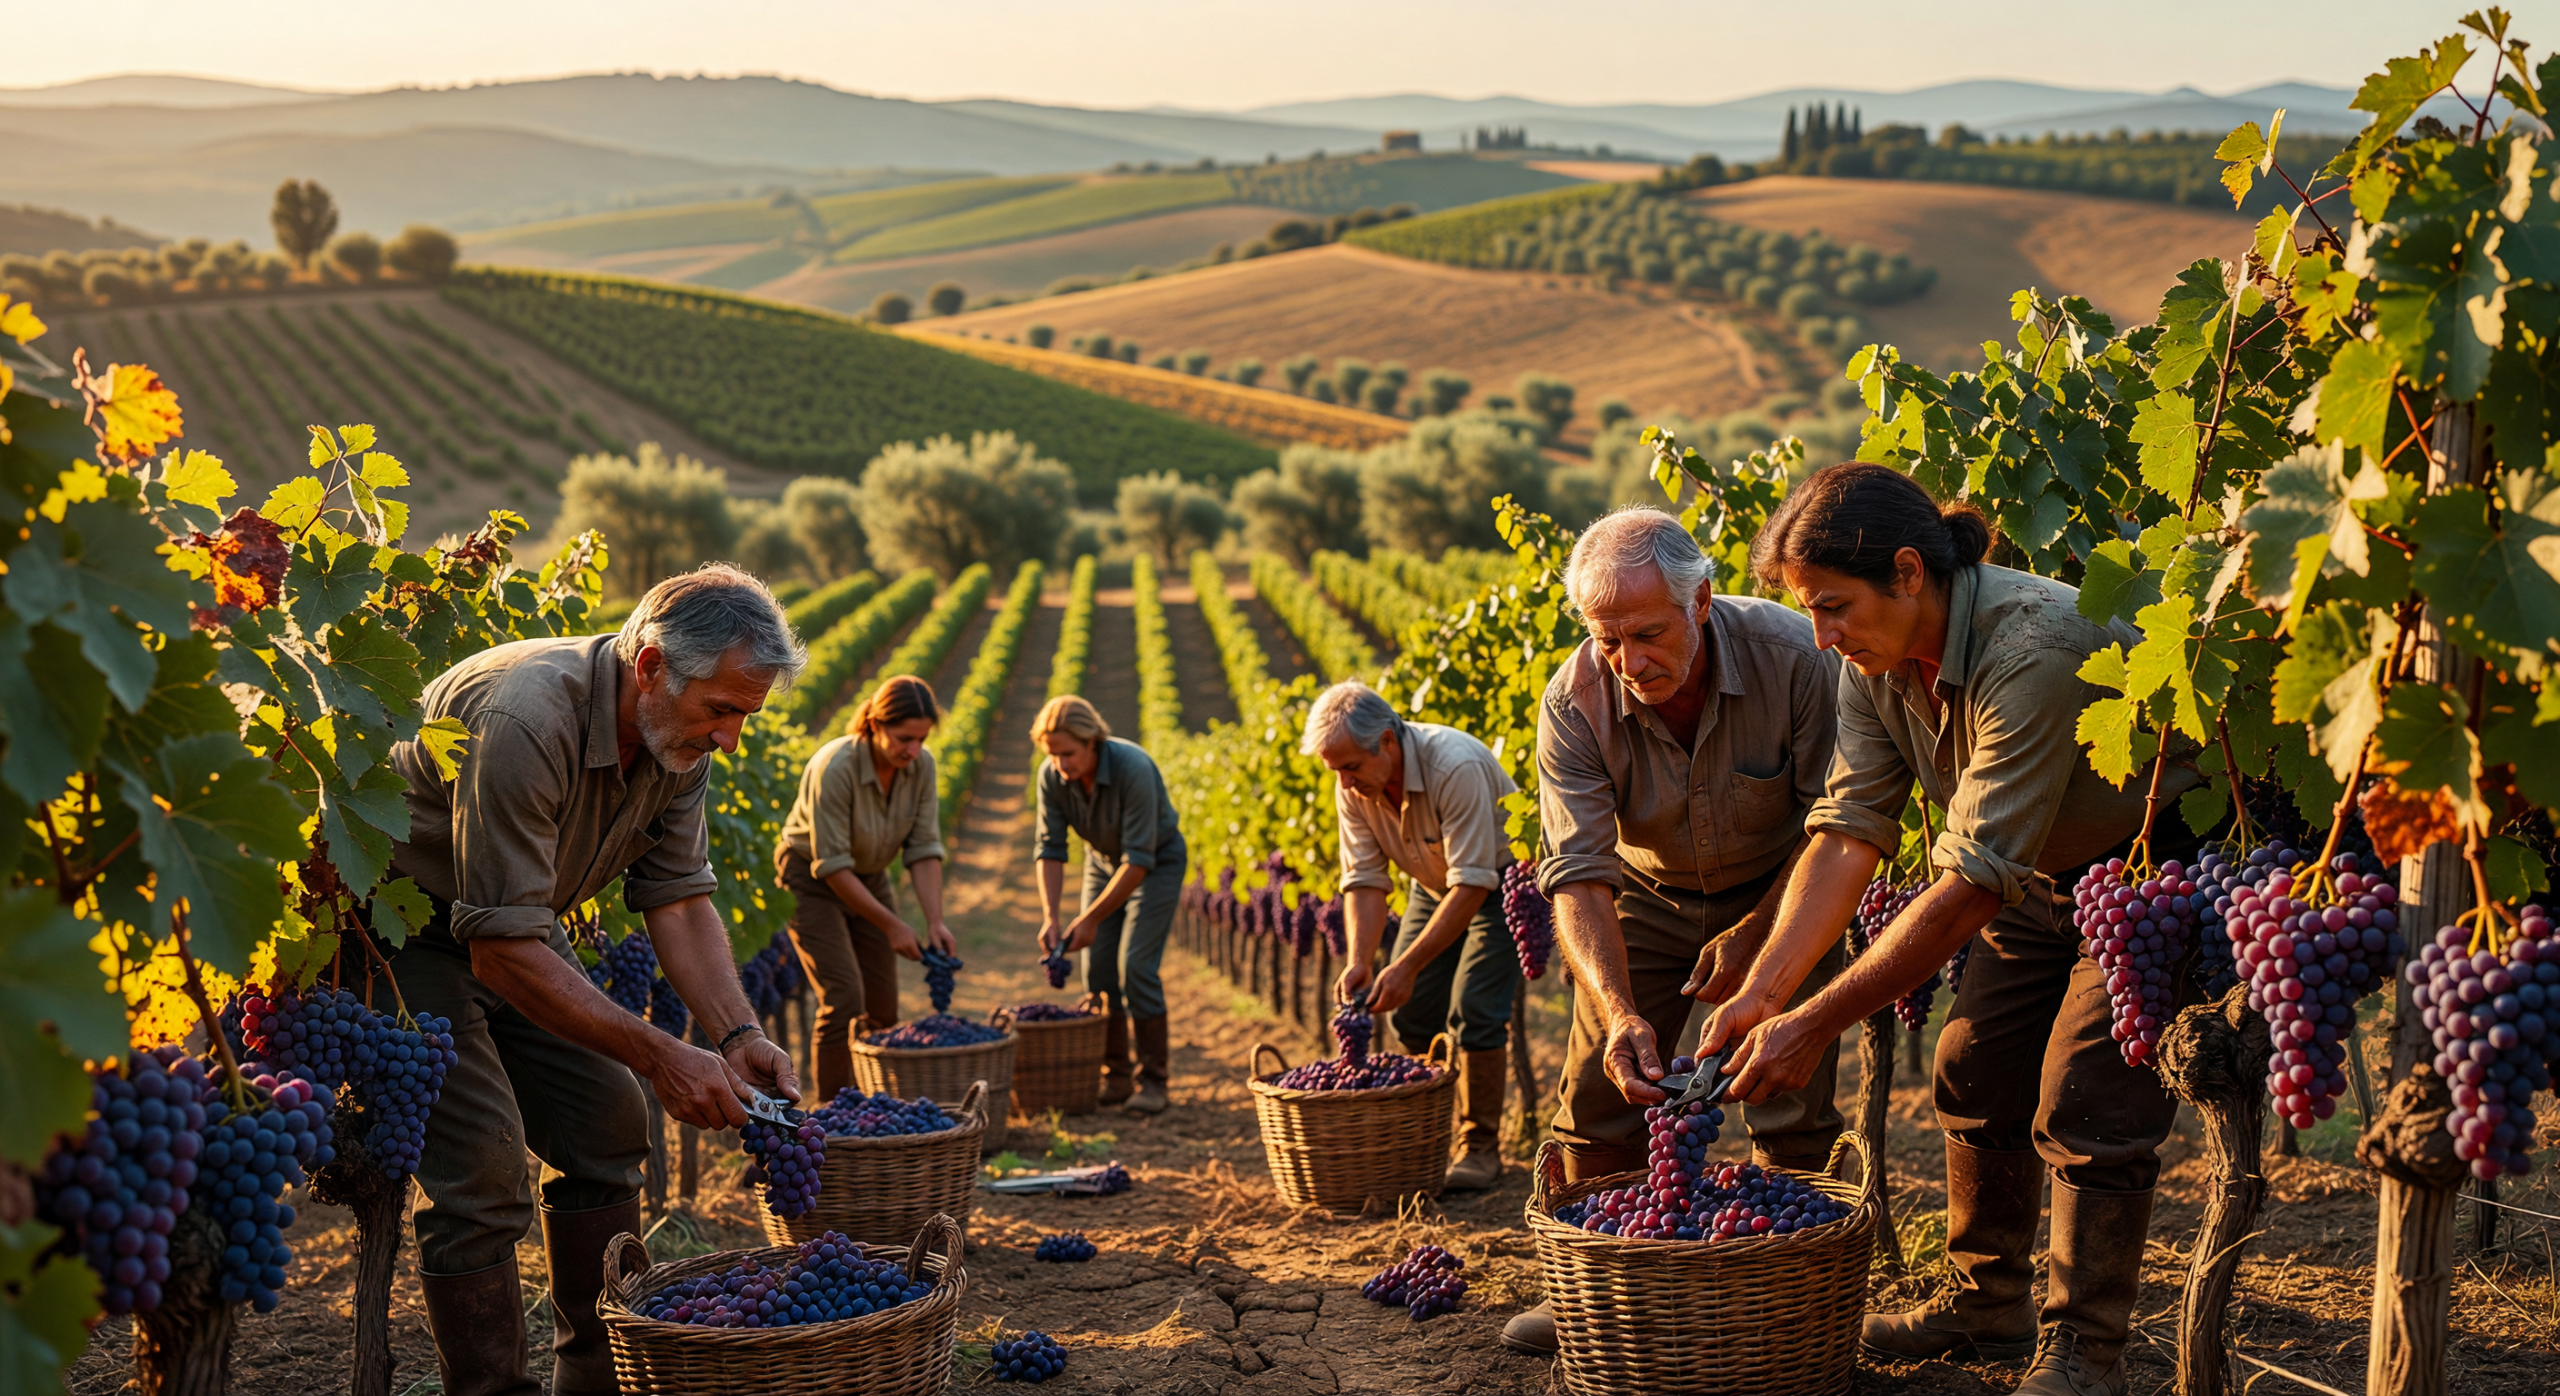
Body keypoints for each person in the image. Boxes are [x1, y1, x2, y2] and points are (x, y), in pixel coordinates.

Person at [1701, 464, 2197, 1396]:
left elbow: (1970, 883)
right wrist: (1762, 995)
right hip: (2038, 872)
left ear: (1908, 571)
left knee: (2087, 1097)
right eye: (1810, 611)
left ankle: (2086, 1347)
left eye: (1834, 605)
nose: (1822, 634)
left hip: (2148, 870)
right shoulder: (1877, 666)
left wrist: (1814, 1023)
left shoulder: (2032, 645)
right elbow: (1849, 833)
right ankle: (1987, 1307)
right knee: (1970, 1062)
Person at [387, 564, 808, 1396]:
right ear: (650, 665)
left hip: (516, 926)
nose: (730, 738)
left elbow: (680, 899)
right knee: (483, 1172)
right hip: (398, 927)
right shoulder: (525, 719)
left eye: (744, 716)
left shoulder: (675, 743)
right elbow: (499, 954)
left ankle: (591, 1383)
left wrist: (738, 1035)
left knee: (611, 1122)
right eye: (722, 710)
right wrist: (660, 1053)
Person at [1504, 507, 1845, 1357]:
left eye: (1648, 634)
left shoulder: (1796, 660)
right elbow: (1578, 876)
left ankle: (1784, 1286)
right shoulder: (1575, 700)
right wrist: (1619, 1011)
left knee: (1788, 1094)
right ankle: (1605, 1283)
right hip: (1647, 895)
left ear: (1699, 602)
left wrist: (1758, 936)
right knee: (1598, 1090)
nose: (1629, 662)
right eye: (1608, 640)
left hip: (1784, 884)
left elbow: (1835, 827)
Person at [1304, 681, 1523, 1191]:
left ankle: (1481, 1146)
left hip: (1501, 882)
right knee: (1410, 1011)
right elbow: (1364, 879)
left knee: (1475, 1008)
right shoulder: (1353, 785)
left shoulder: (1454, 766)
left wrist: (1405, 965)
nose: (1343, 781)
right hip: (1435, 884)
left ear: (1386, 741)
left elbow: (1474, 882)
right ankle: (1431, 1128)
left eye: (1350, 767)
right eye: (1334, 770)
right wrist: (1361, 959)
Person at [775, 674, 959, 1101]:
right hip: (811, 878)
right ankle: (833, 1117)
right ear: (874, 724)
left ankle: (872, 1106)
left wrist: (934, 921)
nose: (912, 750)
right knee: (843, 997)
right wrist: (893, 925)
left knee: (883, 1005)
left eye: (921, 739)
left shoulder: (920, 766)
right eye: (903, 738)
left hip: (870, 875)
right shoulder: (835, 766)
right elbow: (832, 866)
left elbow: (924, 847)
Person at [1031, 695, 1188, 1114]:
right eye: (1053, 754)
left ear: (1092, 742)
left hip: (1156, 863)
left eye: (1068, 753)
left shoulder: (1132, 768)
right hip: (1104, 864)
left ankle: (1153, 1081)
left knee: (1136, 966)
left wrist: (1089, 918)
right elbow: (1049, 848)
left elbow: (1139, 860)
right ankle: (1115, 1076)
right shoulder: (1052, 777)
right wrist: (1051, 916)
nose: (1060, 764)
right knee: (1097, 970)